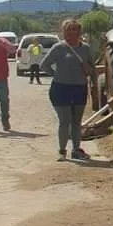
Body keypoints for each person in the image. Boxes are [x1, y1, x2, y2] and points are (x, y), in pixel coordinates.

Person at [41, 19, 95, 160]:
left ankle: (76, 149)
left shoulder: (85, 48)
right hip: (61, 89)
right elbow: (44, 65)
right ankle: (62, 150)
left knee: (76, 122)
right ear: (64, 32)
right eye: (69, 30)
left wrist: (93, 84)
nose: (72, 33)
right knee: (64, 121)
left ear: (79, 32)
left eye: (75, 29)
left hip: (79, 89)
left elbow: (92, 68)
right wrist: (56, 75)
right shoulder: (58, 48)